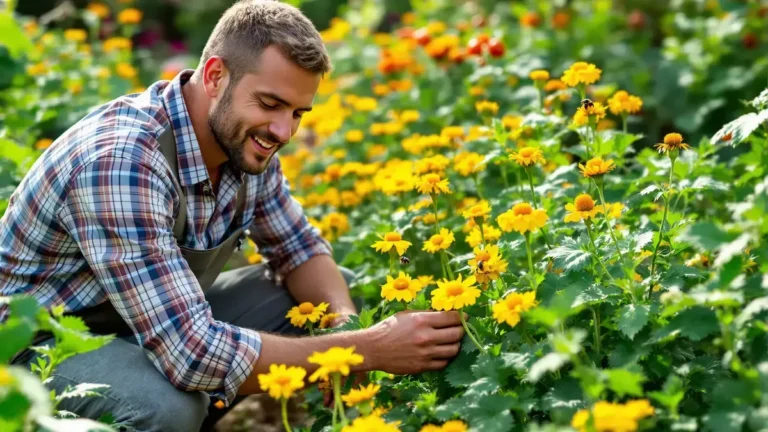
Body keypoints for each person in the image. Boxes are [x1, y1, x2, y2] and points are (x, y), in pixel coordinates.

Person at [0, 1, 465, 430]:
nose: (284, 131)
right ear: (216, 76)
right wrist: (364, 349)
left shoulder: (245, 143)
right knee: (168, 407)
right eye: (270, 104)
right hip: (36, 347)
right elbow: (191, 355)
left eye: (299, 113)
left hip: (144, 325)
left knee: (317, 301)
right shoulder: (123, 162)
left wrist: (343, 324)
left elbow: (298, 248)